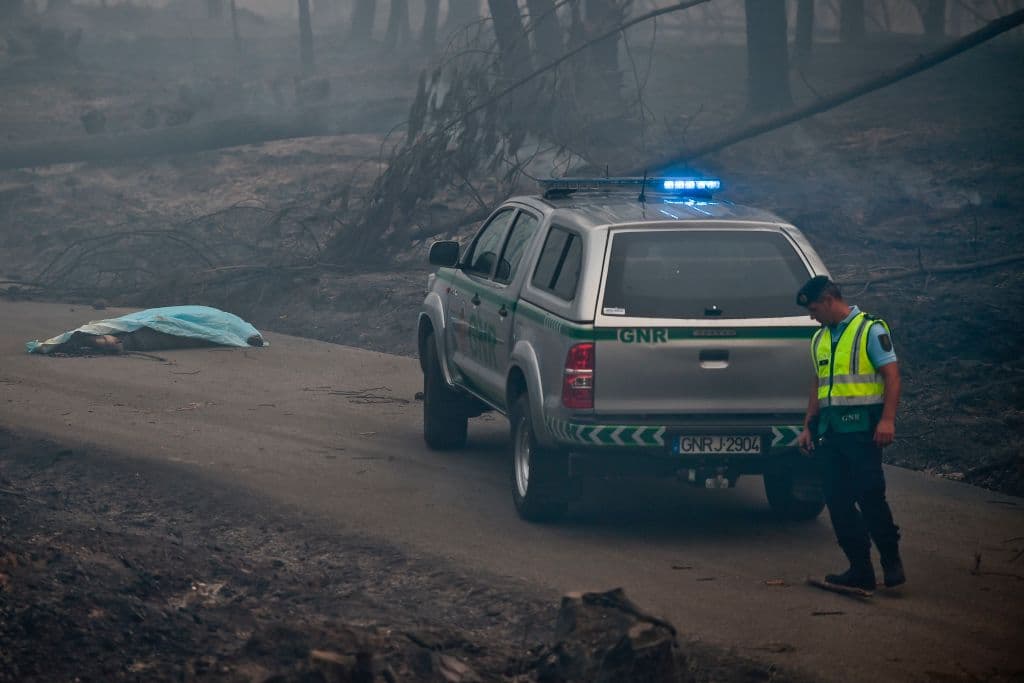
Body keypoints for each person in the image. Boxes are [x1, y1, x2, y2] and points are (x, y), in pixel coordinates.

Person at [796, 275, 906, 590]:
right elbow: (818, 384)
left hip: (862, 430)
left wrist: (888, 420)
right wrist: (808, 425)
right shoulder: (819, 338)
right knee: (837, 501)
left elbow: (892, 377)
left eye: (814, 308)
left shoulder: (870, 330)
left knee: (870, 495)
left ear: (830, 300)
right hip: (830, 432)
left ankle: (891, 561)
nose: (812, 315)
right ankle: (860, 569)